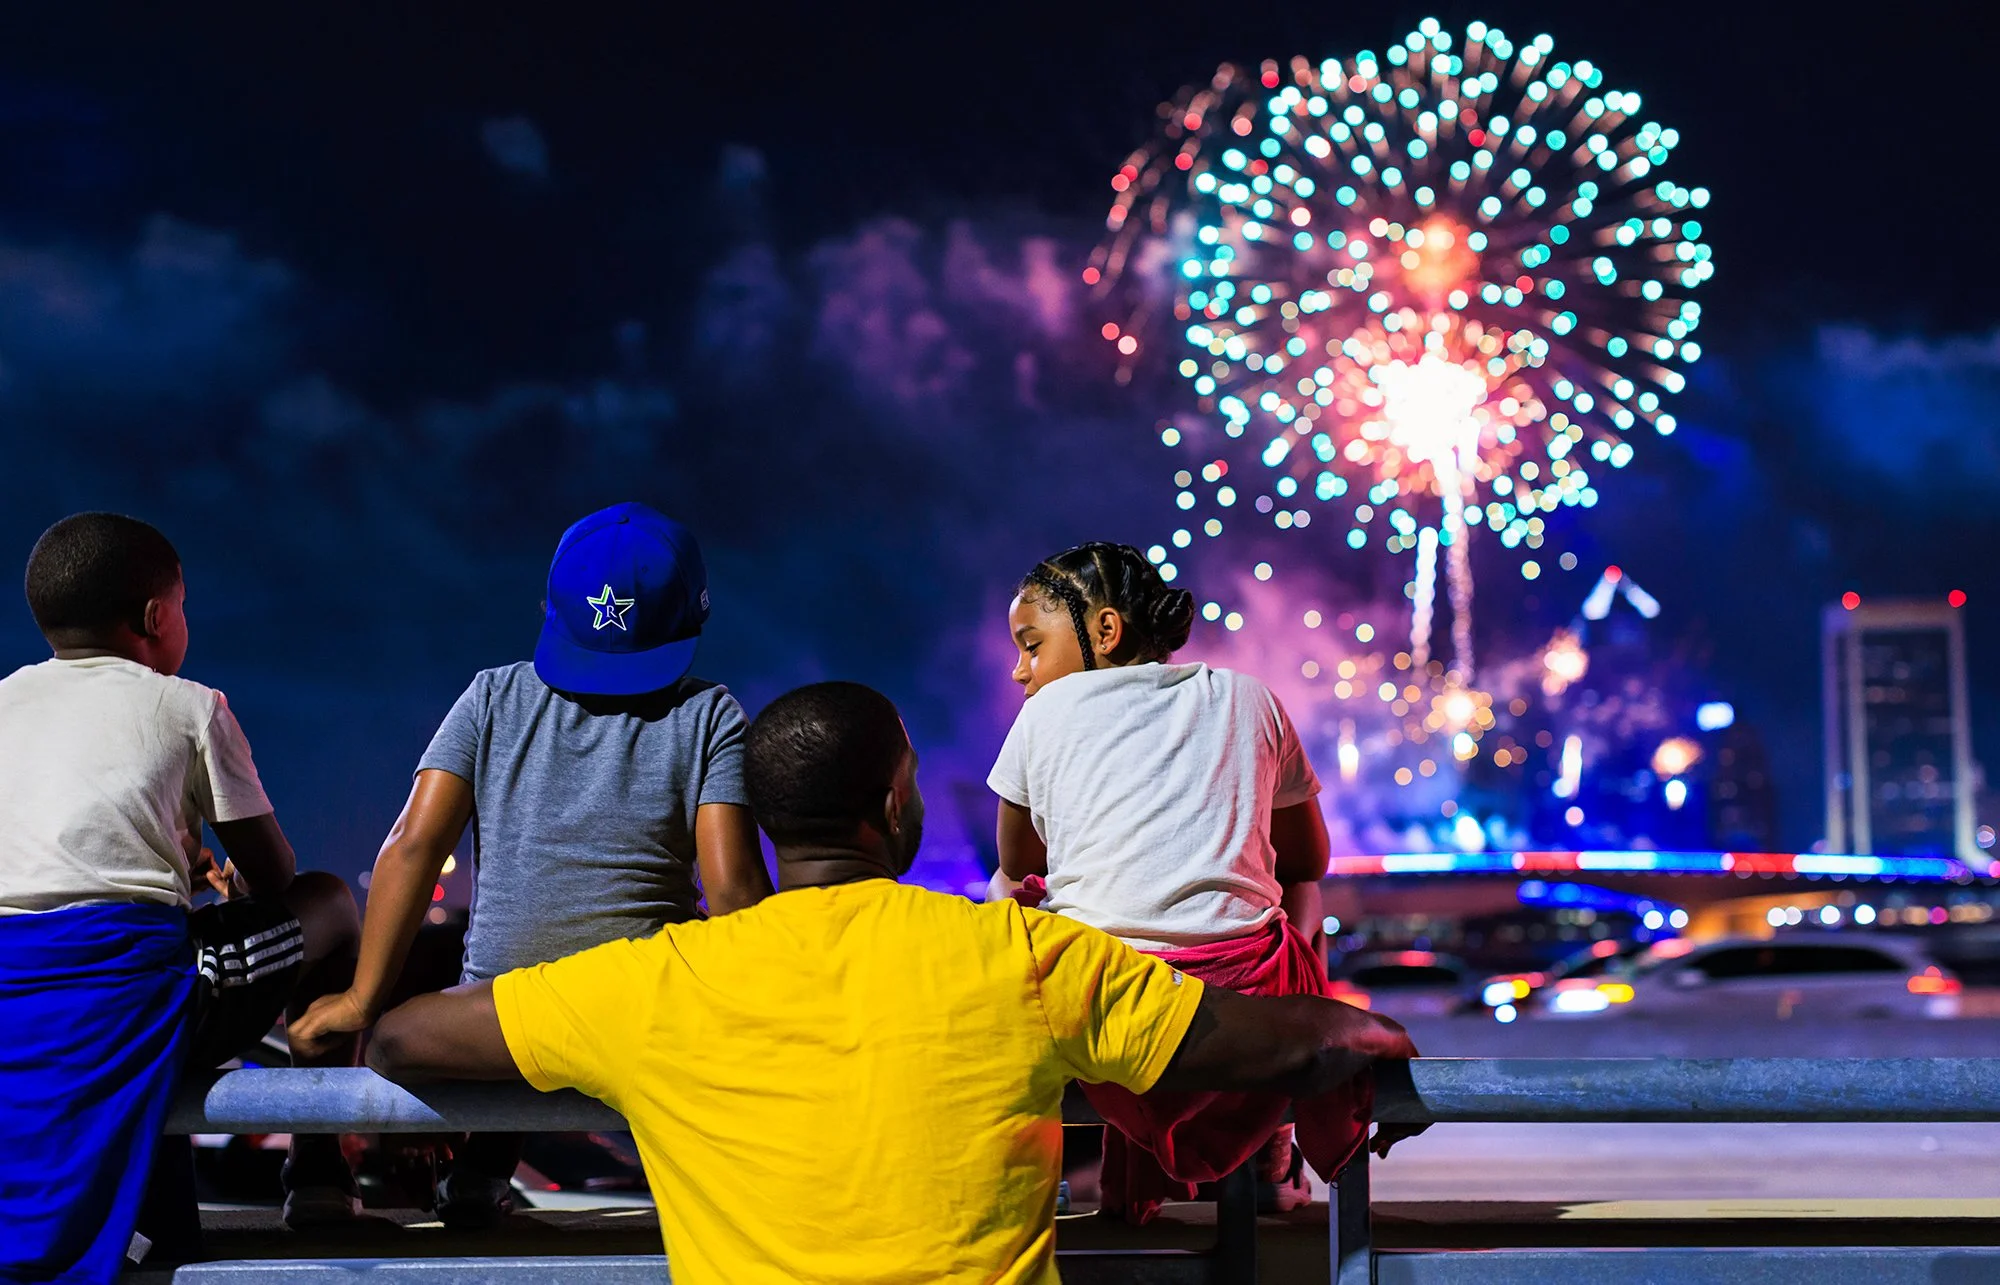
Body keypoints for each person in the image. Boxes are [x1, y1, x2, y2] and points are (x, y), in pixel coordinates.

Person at [363, 680, 1419, 1285]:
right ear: (893, 807)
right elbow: (1254, 1040)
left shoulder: (652, 982)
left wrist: (359, 1009)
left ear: (767, 825)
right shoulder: (1021, 954)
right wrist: (1355, 1026)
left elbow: (408, 1040)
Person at [290, 501, 771, 1228]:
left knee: (395, 1038)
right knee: (606, 1004)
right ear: (692, 614)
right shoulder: (711, 714)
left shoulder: (492, 695)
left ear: (550, 608)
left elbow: (412, 846)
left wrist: (363, 998)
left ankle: (477, 1168)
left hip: (503, 1022)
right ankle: (487, 1175)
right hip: (644, 1018)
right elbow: (734, 891)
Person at [0, 513, 362, 1284]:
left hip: (15, 995)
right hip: (128, 993)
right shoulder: (190, 706)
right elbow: (274, 878)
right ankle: (321, 1172)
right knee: (330, 901)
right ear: (156, 617)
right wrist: (217, 874)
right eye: (185, 605)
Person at [988, 541, 1345, 1222]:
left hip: (1099, 1003)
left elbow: (1018, 859)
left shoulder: (1042, 716)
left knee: (1005, 893)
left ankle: (1040, 1165)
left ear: (1105, 630)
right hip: (1249, 999)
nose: (1019, 670)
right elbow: (1311, 859)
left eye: (1032, 645)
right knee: (1301, 893)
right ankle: (1275, 1141)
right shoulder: (1249, 696)